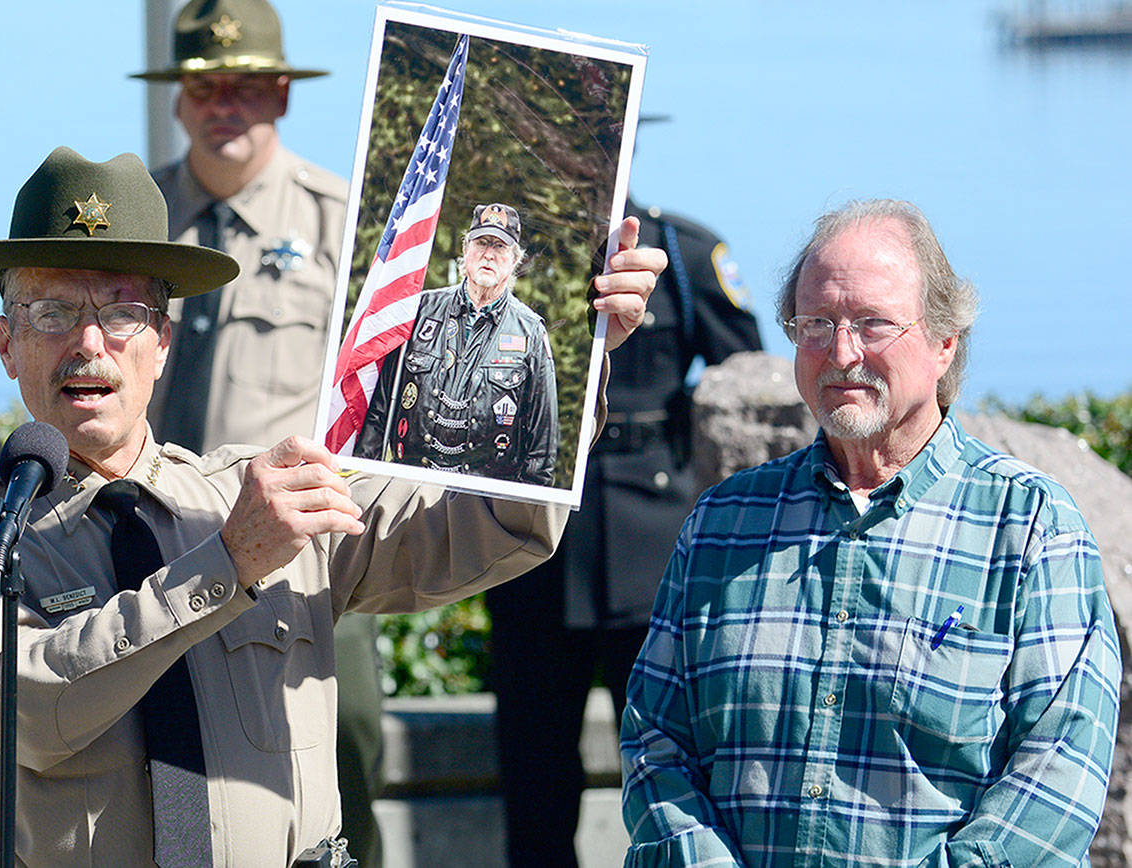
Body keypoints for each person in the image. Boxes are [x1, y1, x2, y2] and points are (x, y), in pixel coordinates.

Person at [0, 145, 663, 867]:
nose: (89, 343)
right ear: (6, 344)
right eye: (51, 312)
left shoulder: (265, 492)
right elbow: (34, 714)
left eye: (119, 312)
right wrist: (226, 565)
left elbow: (497, 526)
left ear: (162, 342)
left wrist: (576, 354)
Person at [620, 198, 1120, 867]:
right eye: (817, 323)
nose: (842, 352)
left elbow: (1059, 771)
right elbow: (656, 741)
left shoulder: (1031, 530)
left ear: (945, 342)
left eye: (873, 324)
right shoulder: (721, 525)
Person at [130, 2, 386, 862]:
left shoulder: (341, 224)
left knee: (341, 747)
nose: (223, 104)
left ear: (281, 95)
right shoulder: (137, 221)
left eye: (245, 86)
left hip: (304, 549)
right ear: (178, 102)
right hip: (149, 550)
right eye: (205, 87)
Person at [486, 198, 761, 866]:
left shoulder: (682, 252)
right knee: (535, 781)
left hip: (652, 559)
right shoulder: (499, 254)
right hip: (535, 549)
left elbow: (748, 377)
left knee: (673, 772)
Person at [354, 203, 559, 486]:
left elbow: (542, 446)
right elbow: (378, 411)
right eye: (482, 242)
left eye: (500, 247)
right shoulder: (419, 310)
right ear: (466, 250)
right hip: (404, 486)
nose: (489, 254)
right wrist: (365, 484)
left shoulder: (531, 332)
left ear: (514, 260)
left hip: (481, 504)